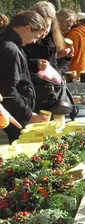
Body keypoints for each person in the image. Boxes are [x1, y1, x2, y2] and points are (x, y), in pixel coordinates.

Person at [0, 11, 49, 142]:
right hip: (13, 118)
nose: (33, 42)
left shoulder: (10, 44)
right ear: (27, 28)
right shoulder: (11, 49)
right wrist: (27, 114)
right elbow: (8, 90)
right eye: (35, 36)